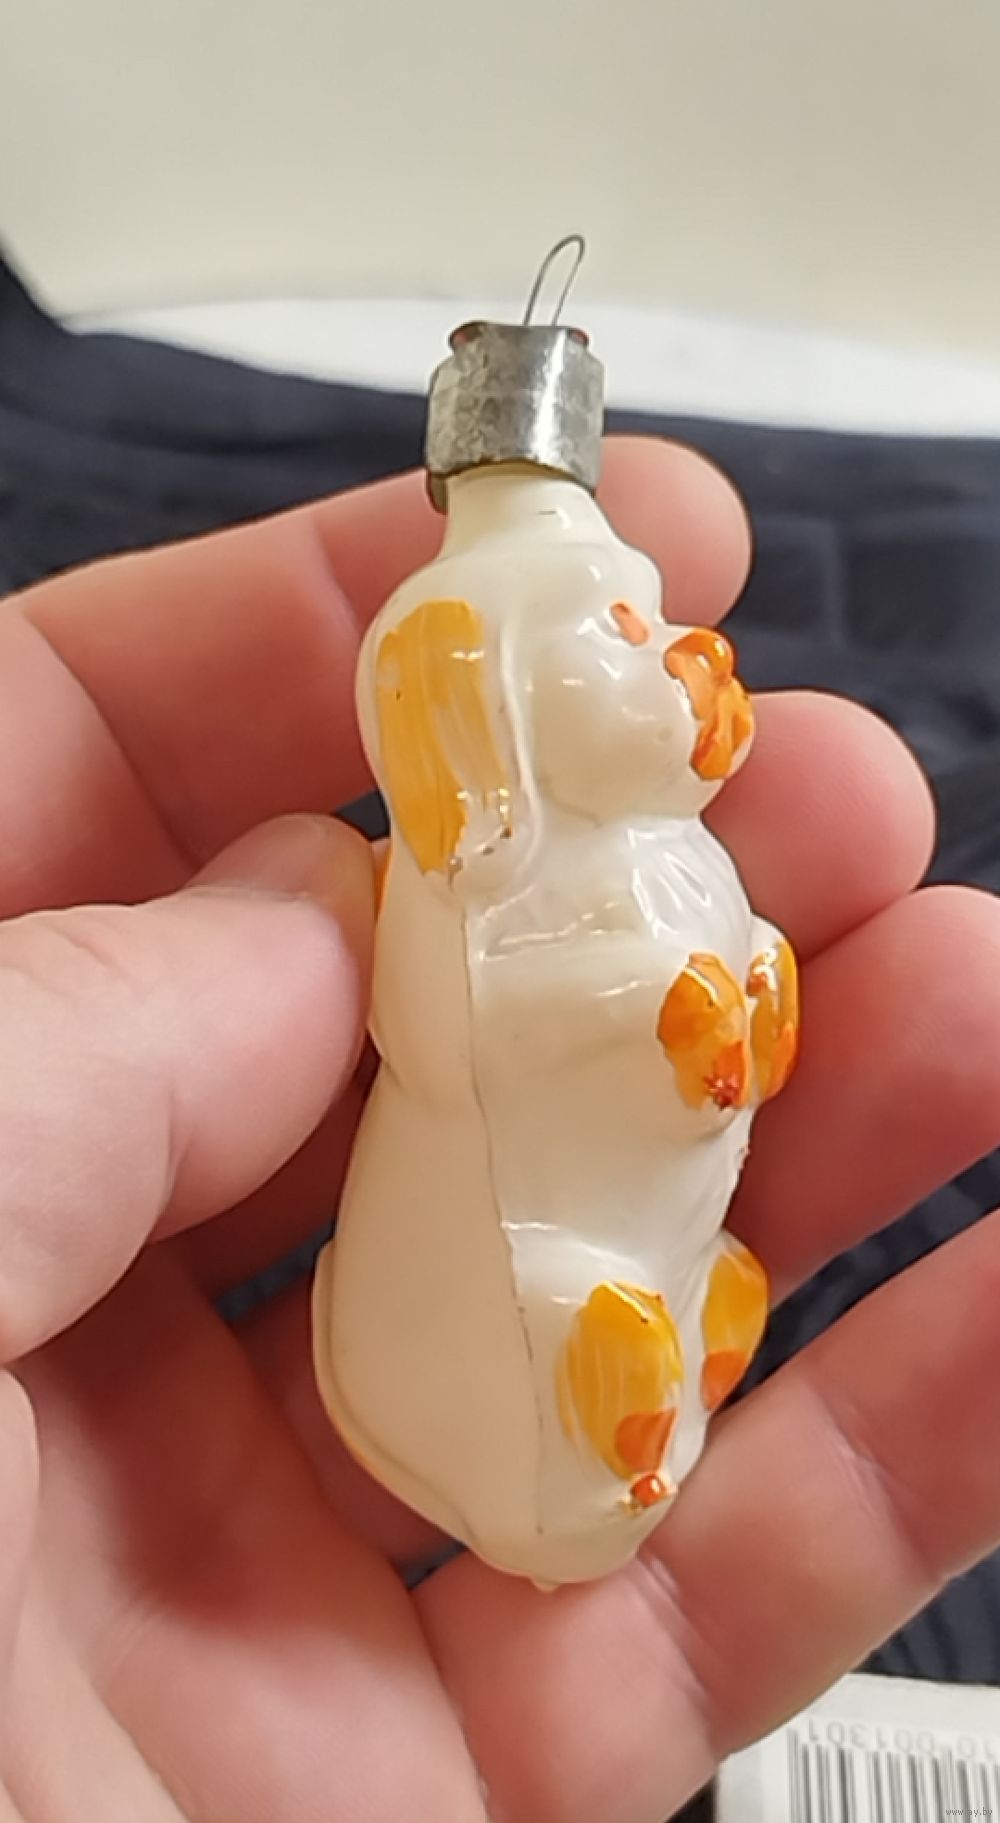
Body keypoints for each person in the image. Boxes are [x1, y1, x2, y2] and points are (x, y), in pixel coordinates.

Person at [0, 435, 996, 1823]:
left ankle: (655, 1376)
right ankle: (608, 1406)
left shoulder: (677, 856)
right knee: (572, 1317)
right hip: (507, 1275)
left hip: (645, 1227)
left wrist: (751, 990)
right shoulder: (471, 901)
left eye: (661, 624)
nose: (688, 661)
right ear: (485, 707)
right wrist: (656, 1011)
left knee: (683, 1281)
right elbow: (472, 1036)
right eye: (620, 636)